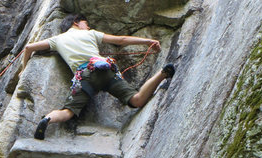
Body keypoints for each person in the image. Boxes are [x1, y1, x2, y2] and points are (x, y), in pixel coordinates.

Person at [22, 14, 175, 139]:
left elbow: (29, 48)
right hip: (106, 70)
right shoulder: (90, 33)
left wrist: (23, 70)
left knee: (68, 112)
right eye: (85, 23)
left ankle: (47, 119)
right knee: (136, 100)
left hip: (84, 77)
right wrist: (148, 41)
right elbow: (121, 40)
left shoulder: (57, 40)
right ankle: (163, 73)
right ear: (76, 23)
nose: (87, 26)